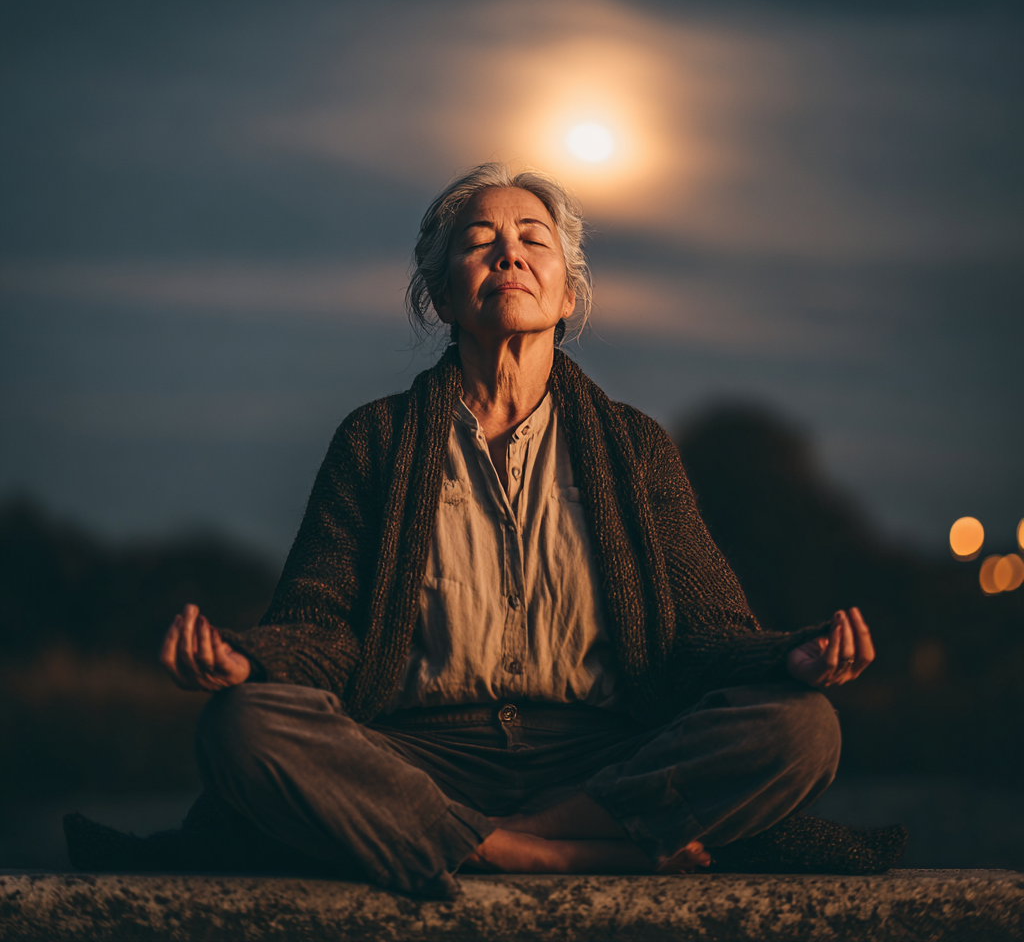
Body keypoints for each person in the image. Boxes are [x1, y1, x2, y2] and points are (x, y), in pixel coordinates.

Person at [157, 163, 877, 899]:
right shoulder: (375, 440)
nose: (509, 255)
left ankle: (484, 837)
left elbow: (704, 636)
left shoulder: (635, 447)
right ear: (441, 295)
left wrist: (790, 658)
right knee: (239, 726)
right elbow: (323, 624)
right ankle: (536, 852)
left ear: (567, 293)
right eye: (481, 242)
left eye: (533, 240)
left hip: (600, 757)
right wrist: (250, 660)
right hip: (418, 759)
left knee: (804, 730)